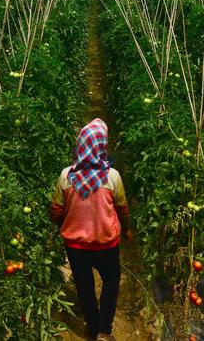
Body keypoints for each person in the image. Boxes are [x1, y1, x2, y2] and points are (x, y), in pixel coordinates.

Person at [50, 118, 132, 341]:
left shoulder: (66, 176)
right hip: (106, 244)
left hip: (76, 247)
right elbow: (122, 209)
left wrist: (63, 223)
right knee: (111, 280)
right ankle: (104, 331)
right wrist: (126, 230)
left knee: (84, 286)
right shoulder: (111, 176)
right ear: (102, 146)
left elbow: (56, 210)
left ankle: (93, 326)